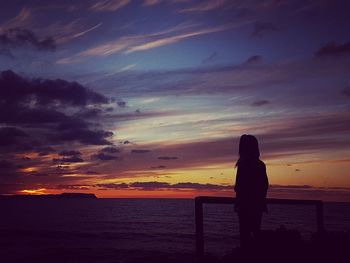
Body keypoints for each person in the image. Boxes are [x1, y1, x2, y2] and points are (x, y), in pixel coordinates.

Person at [234, 134, 269, 249]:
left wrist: (238, 201)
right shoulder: (260, 165)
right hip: (257, 204)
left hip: (245, 204)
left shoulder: (243, 164)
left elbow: (239, 186)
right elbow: (264, 185)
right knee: (255, 231)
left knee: (245, 234)